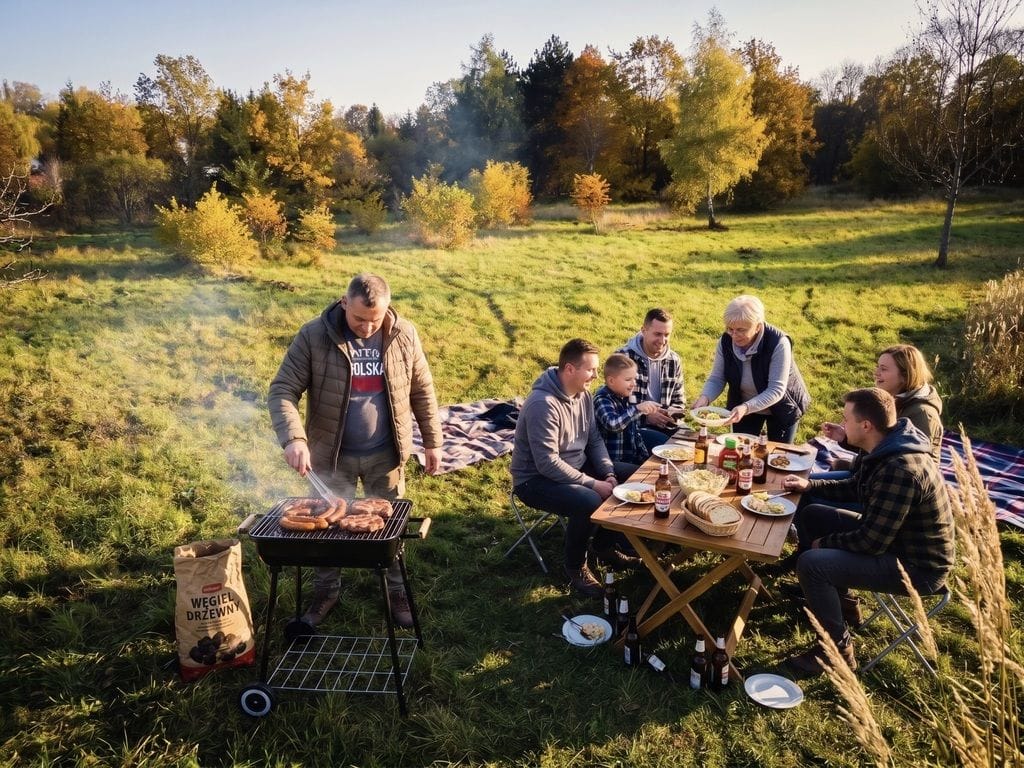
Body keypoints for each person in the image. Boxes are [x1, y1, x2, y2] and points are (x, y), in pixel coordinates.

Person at [268, 273, 443, 629]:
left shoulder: (403, 334)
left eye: (374, 320)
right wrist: (294, 439)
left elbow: (422, 390)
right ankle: (325, 591)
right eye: (360, 319)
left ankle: (395, 590)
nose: (366, 328)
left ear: (387, 309)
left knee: (389, 527)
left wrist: (433, 441)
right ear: (344, 302)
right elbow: (283, 389)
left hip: (386, 452)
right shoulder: (314, 335)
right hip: (332, 455)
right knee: (324, 528)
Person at [779, 388, 954, 677]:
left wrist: (823, 544)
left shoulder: (900, 468)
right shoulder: (885, 448)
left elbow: (871, 541)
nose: (842, 423)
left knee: (811, 564)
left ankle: (835, 650)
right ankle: (844, 606)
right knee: (812, 515)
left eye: (846, 418)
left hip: (917, 566)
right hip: (894, 541)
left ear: (866, 426)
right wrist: (809, 486)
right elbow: (854, 486)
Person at [511, 339, 639, 597]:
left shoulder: (584, 395)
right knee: (589, 500)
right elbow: (547, 463)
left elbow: (593, 439)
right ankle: (575, 566)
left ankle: (604, 545)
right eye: (590, 370)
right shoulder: (542, 404)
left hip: (574, 466)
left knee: (635, 476)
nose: (595, 375)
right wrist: (594, 483)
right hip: (534, 480)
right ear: (569, 369)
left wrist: (608, 473)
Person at [692, 295, 810, 443]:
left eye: (741, 330)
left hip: (781, 408)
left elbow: (776, 390)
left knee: (777, 457)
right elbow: (717, 377)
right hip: (744, 407)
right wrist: (705, 397)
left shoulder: (779, 343)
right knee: (741, 452)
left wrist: (746, 407)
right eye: (730, 329)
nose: (734, 336)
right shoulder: (725, 341)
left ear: (758, 327)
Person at [820, 344, 943, 467]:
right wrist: (845, 438)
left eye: (883, 369)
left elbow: (910, 465)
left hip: (893, 478)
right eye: (877, 367)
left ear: (905, 376)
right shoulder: (893, 397)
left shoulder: (923, 414)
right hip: (879, 467)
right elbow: (879, 442)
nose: (876, 373)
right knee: (836, 466)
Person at [617, 308, 686, 450]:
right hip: (634, 426)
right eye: (658, 334)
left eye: (667, 335)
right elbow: (616, 406)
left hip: (665, 425)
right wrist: (646, 416)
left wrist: (670, 414)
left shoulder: (674, 360)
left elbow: (679, 401)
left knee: (694, 443)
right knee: (666, 445)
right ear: (643, 330)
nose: (662, 340)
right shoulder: (623, 358)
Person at [594, 354, 652, 466]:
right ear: (611, 381)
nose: (634, 383)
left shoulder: (625, 396)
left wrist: (645, 459)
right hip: (612, 462)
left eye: (634, 378)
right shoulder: (602, 399)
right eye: (628, 379)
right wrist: (637, 408)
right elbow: (613, 424)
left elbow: (635, 433)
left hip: (630, 457)